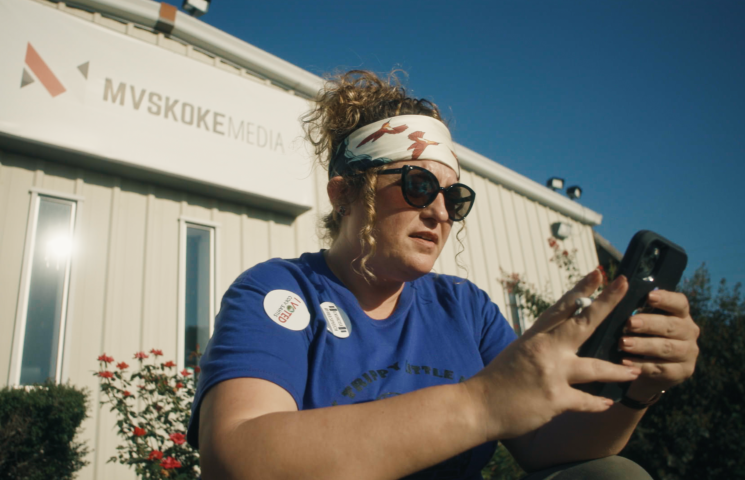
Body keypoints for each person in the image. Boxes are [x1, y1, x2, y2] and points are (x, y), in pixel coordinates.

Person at [186, 70, 700, 480]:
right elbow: (237, 460)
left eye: (454, 197)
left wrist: (637, 390)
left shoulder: (464, 308)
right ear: (343, 195)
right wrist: (481, 404)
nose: (440, 212)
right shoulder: (277, 290)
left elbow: (545, 446)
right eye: (416, 185)